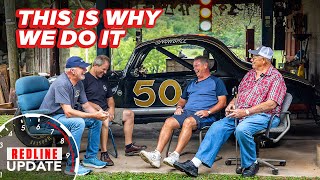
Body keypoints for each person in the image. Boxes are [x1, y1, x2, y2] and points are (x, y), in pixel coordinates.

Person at [173, 46, 287, 177]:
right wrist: (232, 104)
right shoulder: (250, 74)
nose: (251, 59)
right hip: (241, 114)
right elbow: (239, 94)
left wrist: (246, 112)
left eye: (255, 57)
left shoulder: (275, 77)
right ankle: (194, 164)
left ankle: (251, 164)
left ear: (264, 60)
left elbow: (271, 104)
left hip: (265, 116)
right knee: (217, 127)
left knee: (242, 129)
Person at [139, 56, 228, 168]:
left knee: (188, 122)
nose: (194, 68)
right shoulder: (192, 83)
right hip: (187, 112)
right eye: (194, 66)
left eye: (196, 65)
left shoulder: (216, 81)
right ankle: (156, 155)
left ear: (205, 65)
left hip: (205, 115)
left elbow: (222, 102)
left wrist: (208, 111)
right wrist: (179, 107)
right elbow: (181, 101)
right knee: (169, 121)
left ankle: (175, 155)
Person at [40, 56, 108, 176]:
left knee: (95, 121)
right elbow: (68, 112)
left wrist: (98, 115)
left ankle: (90, 158)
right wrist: (94, 114)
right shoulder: (61, 83)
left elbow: (86, 105)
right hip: (50, 118)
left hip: (63, 116)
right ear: (72, 71)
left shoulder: (79, 83)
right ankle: (72, 166)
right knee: (79, 123)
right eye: (82, 68)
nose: (85, 70)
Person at [82, 55, 147, 166]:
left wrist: (111, 109)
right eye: (103, 69)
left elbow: (110, 99)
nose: (105, 72)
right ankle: (104, 153)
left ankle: (129, 146)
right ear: (95, 65)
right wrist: (99, 109)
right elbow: (82, 102)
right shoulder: (84, 79)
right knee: (105, 120)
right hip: (91, 111)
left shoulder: (104, 79)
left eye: (106, 69)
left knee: (129, 114)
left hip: (106, 109)